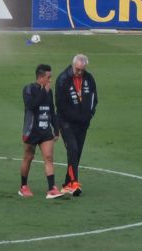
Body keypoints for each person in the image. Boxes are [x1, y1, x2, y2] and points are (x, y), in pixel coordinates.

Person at [56, 54, 98, 196]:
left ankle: (67, 184)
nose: (79, 72)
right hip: (66, 122)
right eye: (77, 69)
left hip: (83, 123)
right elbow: (60, 105)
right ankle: (74, 183)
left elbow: (94, 99)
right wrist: (76, 118)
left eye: (82, 69)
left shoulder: (89, 78)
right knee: (73, 149)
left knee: (76, 153)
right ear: (73, 65)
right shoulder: (63, 79)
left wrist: (89, 115)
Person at [20, 64, 64, 199]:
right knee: (28, 157)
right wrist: (43, 92)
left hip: (45, 131)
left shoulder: (48, 91)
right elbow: (32, 106)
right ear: (40, 77)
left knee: (49, 158)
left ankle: (52, 189)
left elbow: (51, 110)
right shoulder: (28, 89)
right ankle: (23, 187)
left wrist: (56, 129)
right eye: (48, 77)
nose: (50, 80)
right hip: (31, 130)